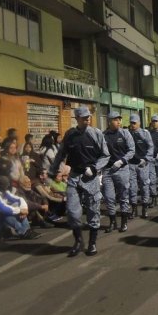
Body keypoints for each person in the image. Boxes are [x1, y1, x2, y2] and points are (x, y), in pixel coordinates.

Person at [49, 106, 110, 257]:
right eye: (83, 117)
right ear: (76, 118)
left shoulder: (96, 134)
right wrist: (53, 170)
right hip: (74, 176)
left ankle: (92, 243)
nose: (87, 119)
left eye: (88, 116)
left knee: (93, 210)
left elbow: (105, 155)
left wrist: (95, 168)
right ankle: (78, 241)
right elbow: (61, 154)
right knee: (72, 212)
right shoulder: (70, 134)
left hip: (90, 177)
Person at [102, 111, 135, 233]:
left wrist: (122, 161)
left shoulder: (125, 133)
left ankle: (124, 222)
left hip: (122, 169)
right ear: (109, 121)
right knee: (109, 197)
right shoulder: (103, 135)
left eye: (119, 119)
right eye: (116, 120)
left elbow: (131, 150)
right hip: (108, 170)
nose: (119, 122)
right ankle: (112, 222)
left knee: (123, 196)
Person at [0, 176, 40, 240]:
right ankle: (24, 232)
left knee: (17, 205)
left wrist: (24, 209)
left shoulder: (3, 191)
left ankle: (27, 230)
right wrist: (20, 210)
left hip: (1, 211)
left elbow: (19, 199)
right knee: (6, 213)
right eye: (5, 186)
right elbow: (3, 208)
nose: (7, 187)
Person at [128, 113, 154, 219]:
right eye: (131, 123)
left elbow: (150, 147)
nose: (133, 125)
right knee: (132, 187)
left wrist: (146, 159)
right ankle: (134, 208)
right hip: (131, 164)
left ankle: (144, 207)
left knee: (144, 185)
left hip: (142, 164)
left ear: (139, 123)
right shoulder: (128, 134)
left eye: (134, 123)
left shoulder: (144, 133)